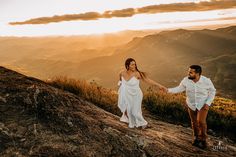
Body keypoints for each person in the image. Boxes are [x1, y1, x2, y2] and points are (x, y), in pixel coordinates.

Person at [166, 65, 216, 149]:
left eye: (191, 72)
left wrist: (208, 103)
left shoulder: (206, 81)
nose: (188, 74)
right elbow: (179, 88)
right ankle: (197, 138)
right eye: (188, 71)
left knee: (201, 121)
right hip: (191, 104)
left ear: (198, 74)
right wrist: (167, 90)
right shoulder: (186, 80)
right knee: (194, 122)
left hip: (203, 104)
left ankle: (203, 140)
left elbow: (212, 91)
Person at [117, 58, 165, 129]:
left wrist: (159, 86)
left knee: (135, 112)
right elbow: (121, 82)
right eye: (132, 65)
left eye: (135, 64)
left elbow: (148, 80)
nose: (134, 66)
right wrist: (122, 90)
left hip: (136, 95)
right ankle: (133, 123)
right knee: (128, 111)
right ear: (127, 66)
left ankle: (143, 123)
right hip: (126, 95)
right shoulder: (121, 73)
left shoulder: (137, 74)